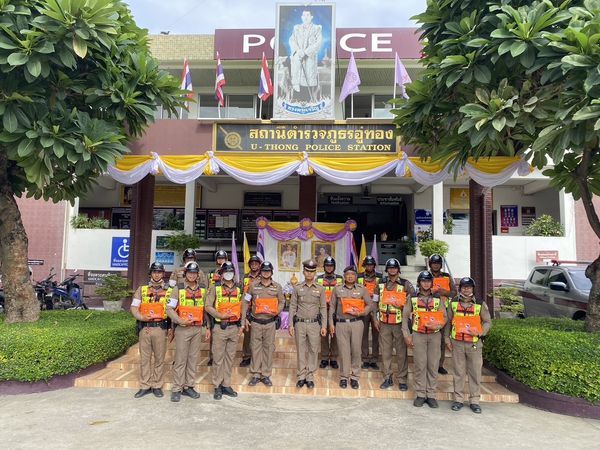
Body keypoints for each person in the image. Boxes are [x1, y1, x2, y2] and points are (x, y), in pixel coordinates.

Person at [130, 262, 178, 398]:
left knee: (159, 358)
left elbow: (173, 311)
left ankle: (157, 385)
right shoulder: (141, 289)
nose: (157, 274)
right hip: (145, 328)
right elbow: (134, 307)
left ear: (163, 274)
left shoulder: (170, 290)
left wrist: (172, 328)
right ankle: (145, 385)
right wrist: (141, 317)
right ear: (150, 273)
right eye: (154, 272)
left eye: (159, 272)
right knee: (145, 359)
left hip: (160, 328)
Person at [446, 277, 492, 414]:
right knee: (458, 372)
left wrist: (480, 332)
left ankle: (474, 401)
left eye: (469, 287)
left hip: (474, 344)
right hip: (457, 343)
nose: (466, 289)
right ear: (460, 288)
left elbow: (487, 322)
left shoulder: (480, 303)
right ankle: (458, 399)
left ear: (473, 289)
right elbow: (448, 321)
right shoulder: (454, 302)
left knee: (475, 372)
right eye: (464, 287)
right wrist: (446, 339)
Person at [403, 270, 447, 408]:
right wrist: (407, 335)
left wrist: (439, 325)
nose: (426, 284)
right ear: (419, 282)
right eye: (423, 281)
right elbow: (405, 317)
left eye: (428, 281)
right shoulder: (412, 298)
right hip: (418, 335)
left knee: (433, 365)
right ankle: (421, 394)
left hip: (434, 335)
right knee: (420, 365)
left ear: (431, 283)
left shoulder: (437, 298)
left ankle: (431, 395)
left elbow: (445, 316)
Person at [166, 262, 209, 402]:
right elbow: (169, 309)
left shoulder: (203, 289)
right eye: (189, 273)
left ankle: (189, 386)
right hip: (183, 329)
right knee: (180, 359)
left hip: (197, 329)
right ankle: (177, 388)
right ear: (185, 274)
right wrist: (179, 320)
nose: (192, 275)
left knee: (193, 359)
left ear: (198, 275)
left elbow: (206, 309)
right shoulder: (178, 288)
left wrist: (208, 327)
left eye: (194, 273)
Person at [205, 261, 246, 400]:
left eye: (231, 271)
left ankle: (226, 385)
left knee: (229, 358)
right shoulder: (215, 288)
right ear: (221, 273)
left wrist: (242, 325)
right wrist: (220, 315)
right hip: (219, 327)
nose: (228, 274)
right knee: (218, 358)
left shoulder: (239, 288)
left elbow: (243, 307)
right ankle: (217, 386)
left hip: (234, 327)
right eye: (226, 271)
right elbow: (207, 306)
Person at [329, 265, 373, 389]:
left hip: (356, 323)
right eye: (348, 274)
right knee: (343, 352)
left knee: (356, 351)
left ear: (356, 276)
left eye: (352, 274)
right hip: (341, 323)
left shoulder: (362, 289)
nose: (350, 276)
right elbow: (332, 307)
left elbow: (370, 305)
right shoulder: (337, 289)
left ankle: (354, 377)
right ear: (344, 276)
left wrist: (362, 313)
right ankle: (344, 377)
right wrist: (331, 323)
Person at [375, 258, 414, 391]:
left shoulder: (405, 284)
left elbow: (414, 302)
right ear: (387, 270)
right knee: (385, 352)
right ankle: (387, 377)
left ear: (398, 270)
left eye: (394, 268)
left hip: (399, 323)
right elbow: (375, 301)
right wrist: (375, 318)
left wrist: (403, 306)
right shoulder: (380, 283)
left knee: (401, 352)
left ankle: (402, 379)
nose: (392, 270)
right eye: (390, 268)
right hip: (384, 323)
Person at [245, 261, 285, 387]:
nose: (266, 273)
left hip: (270, 323)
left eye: (268, 271)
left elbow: (282, 301)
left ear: (271, 272)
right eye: (264, 271)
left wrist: (276, 311)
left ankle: (265, 375)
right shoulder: (253, 286)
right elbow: (246, 301)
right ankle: (256, 374)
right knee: (255, 348)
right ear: (260, 272)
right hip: (256, 322)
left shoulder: (277, 287)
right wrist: (245, 317)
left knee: (268, 348)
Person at [289, 259, 327, 389]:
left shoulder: (320, 289)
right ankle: (301, 376)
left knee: (313, 350)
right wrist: (290, 324)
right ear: (303, 272)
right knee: (301, 350)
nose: (309, 273)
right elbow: (292, 306)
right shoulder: (297, 287)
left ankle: (310, 376)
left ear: (315, 273)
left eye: (312, 271)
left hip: (314, 324)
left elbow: (323, 308)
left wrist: (324, 326)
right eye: (307, 271)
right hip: (300, 323)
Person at [428, 254, 456, 375]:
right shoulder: (426, 275)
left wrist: (444, 292)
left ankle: (440, 365)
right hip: (430, 310)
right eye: (434, 263)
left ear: (441, 265)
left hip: (444, 310)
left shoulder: (447, 277)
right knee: (430, 339)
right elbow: (419, 291)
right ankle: (430, 364)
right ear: (430, 264)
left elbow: (454, 293)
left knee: (442, 339)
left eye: (438, 263)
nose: (436, 265)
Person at [289, 9, 323, 103]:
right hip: (298, 57)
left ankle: (310, 100)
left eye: (308, 15)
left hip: (309, 58)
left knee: (309, 77)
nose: (305, 17)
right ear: (301, 17)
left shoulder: (316, 28)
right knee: (297, 77)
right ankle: (296, 98)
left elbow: (318, 43)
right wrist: (298, 50)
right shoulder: (296, 28)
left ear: (311, 17)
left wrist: (306, 52)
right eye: (304, 15)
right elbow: (292, 40)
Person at [357, 255, 382, 370]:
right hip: (363, 308)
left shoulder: (380, 277)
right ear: (364, 265)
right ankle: (365, 359)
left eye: (371, 264)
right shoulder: (359, 277)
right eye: (367, 264)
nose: (369, 266)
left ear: (374, 265)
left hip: (376, 307)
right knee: (364, 334)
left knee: (376, 334)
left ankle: (374, 359)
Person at [317, 256, 342, 369]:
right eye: (327, 265)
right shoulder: (318, 279)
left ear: (334, 267)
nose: (329, 267)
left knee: (334, 335)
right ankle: (324, 357)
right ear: (324, 267)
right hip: (323, 311)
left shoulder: (340, 279)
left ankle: (333, 358)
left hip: (336, 311)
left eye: (331, 265)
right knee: (324, 335)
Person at [207, 250, 228, 366]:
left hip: (225, 304)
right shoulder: (211, 273)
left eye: (223, 258)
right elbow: (207, 287)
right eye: (219, 258)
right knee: (213, 331)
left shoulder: (230, 271)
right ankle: (212, 356)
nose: (221, 260)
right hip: (213, 305)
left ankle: (223, 357)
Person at [240, 255, 261, 367]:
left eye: (256, 263)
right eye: (252, 264)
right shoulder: (245, 277)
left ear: (259, 265)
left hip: (259, 310)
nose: (254, 265)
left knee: (258, 336)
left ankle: (257, 358)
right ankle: (247, 357)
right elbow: (240, 293)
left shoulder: (263, 276)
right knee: (247, 335)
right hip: (247, 310)